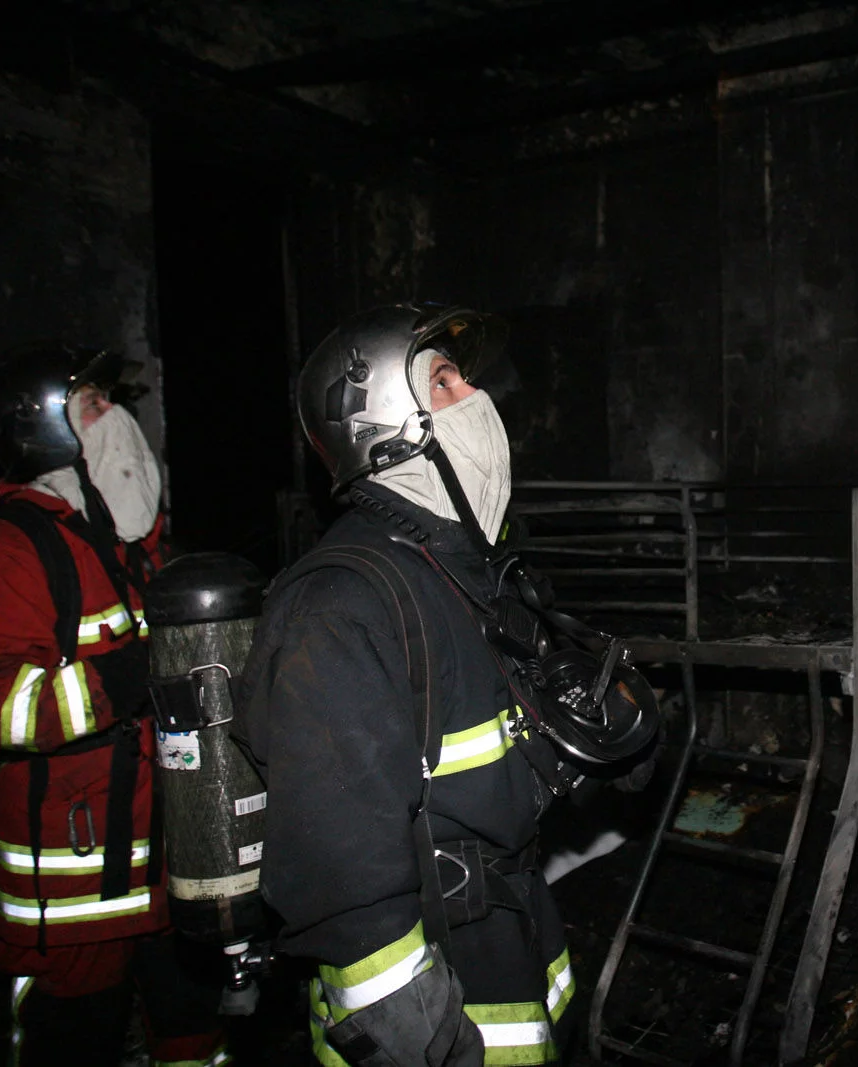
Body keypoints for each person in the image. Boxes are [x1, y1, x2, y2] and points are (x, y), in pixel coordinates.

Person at [237, 304, 579, 1067]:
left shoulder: (469, 572)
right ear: (389, 422)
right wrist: (425, 1042)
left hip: (510, 944)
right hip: (433, 1013)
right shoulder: (339, 607)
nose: (477, 400)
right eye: (449, 381)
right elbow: (347, 891)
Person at [0, 343, 228, 1066]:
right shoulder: (5, 554)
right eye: (94, 405)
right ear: (44, 431)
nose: (118, 418)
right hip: (73, 894)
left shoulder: (136, 549)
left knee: (196, 1040)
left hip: (173, 868)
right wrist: (120, 678)